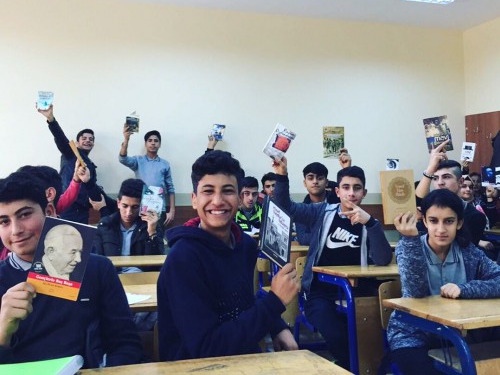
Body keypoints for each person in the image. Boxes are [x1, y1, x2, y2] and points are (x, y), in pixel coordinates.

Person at [157, 150, 299, 361]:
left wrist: (277, 325)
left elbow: (242, 303)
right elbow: (207, 348)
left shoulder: (245, 246)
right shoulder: (182, 259)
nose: (217, 201)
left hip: (243, 361)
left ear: (239, 199)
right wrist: (274, 302)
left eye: (227, 191)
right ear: (194, 200)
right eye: (208, 191)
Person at [0, 171, 143, 367]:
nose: (16, 230)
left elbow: (126, 344)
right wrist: (3, 333)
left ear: (49, 211)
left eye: (25, 215)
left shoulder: (98, 270)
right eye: (4, 221)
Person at [272, 156, 392, 369]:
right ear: (337, 191)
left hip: (356, 291)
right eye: (346, 187)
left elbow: (383, 259)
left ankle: (365, 367)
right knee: (338, 335)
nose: (351, 193)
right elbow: (285, 208)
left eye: (357, 188)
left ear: (364, 192)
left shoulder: (369, 222)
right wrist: (281, 175)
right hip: (319, 292)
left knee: (377, 334)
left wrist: (371, 224)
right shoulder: (323, 212)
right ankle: (349, 368)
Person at [388, 189, 500, 374]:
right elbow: (415, 292)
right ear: (424, 221)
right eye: (433, 221)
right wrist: (410, 239)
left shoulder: (468, 251)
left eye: (449, 221)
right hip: (414, 335)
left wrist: (464, 289)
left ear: (459, 223)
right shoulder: (408, 246)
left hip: (458, 334)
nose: (441, 229)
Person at [37, 104, 110, 224]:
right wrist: (51, 120)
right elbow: (61, 139)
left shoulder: (90, 165)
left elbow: (92, 187)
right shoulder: (71, 154)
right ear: (76, 143)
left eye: (91, 139)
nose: (88, 141)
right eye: (84, 138)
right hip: (67, 208)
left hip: (83, 211)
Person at [415, 141, 487, 247]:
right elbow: (419, 200)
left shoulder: (475, 217)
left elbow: (462, 250)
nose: (440, 182)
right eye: (435, 178)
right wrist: (430, 169)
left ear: (461, 182)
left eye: (446, 177)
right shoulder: (428, 210)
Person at [93, 178, 164, 261]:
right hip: (111, 268)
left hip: (140, 269)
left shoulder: (151, 225)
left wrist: (151, 232)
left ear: (142, 205)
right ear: (118, 203)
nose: (129, 213)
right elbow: (97, 259)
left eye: (135, 207)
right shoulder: (105, 225)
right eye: (125, 206)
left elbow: (156, 261)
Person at [119, 127, 176, 226]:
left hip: (159, 209)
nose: (153, 143)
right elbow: (122, 159)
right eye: (150, 141)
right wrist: (126, 139)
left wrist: (172, 211)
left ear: (159, 144)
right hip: (140, 208)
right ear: (145, 144)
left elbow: (170, 189)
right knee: (139, 234)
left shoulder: (165, 164)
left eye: (156, 141)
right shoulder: (138, 160)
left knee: (156, 234)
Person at [298, 150, 352, 245]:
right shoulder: (302, 209)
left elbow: (349, 193)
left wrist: (346, 169)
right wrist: (332, 233)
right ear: (305, 183)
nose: (315, 181)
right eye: (310, 178)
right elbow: (303, 239)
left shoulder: (338, 201)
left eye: (320, 178)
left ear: (326, 182)